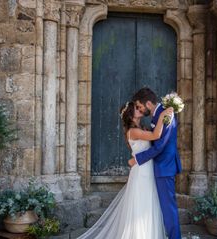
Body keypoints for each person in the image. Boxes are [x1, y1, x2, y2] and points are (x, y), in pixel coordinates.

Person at [77, 101, 173, 239]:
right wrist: (164, 113)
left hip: (147, 169)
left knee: (148, 204)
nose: (140, 109)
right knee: (141, 205)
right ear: (130, 114)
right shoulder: (133, 131)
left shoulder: (142, 128)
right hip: (141, 173)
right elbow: (156, 136)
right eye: (136, 108)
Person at [129, 87, 182, 239]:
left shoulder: (166, 115)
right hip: (159, 167)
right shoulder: (157, 115)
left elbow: (159, 147)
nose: (139, 109)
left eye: (139, 106)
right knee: (163, 208)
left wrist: (137, 159)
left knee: (168, 209)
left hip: (164, 167)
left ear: (149, 104)